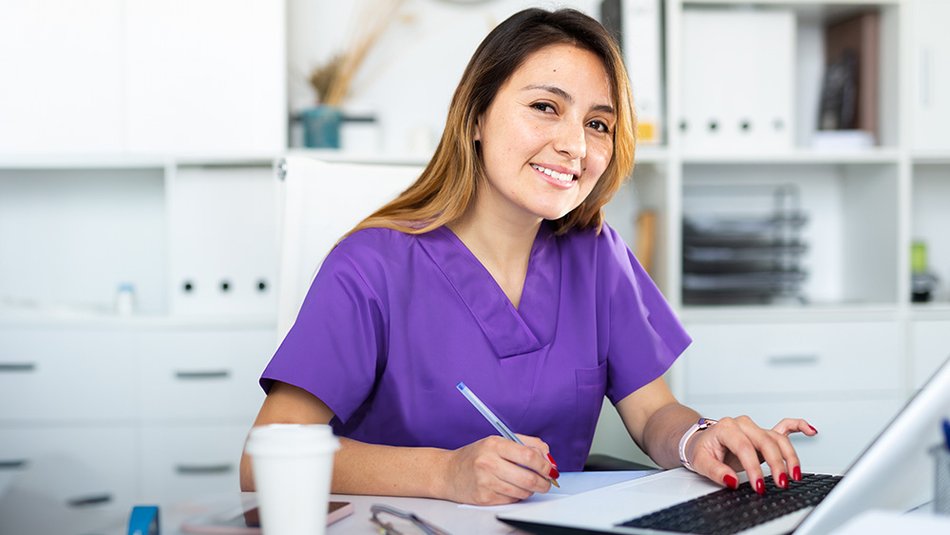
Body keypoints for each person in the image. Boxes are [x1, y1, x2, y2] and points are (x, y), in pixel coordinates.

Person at [240, 7, 816, 506]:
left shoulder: (597, 255)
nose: (576, 145)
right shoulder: (371, 267)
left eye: (598, 124)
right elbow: (263, 458)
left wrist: (697, 440)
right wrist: (445, 473)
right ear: (475, 118)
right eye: (545, 106)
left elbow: (653, 412)